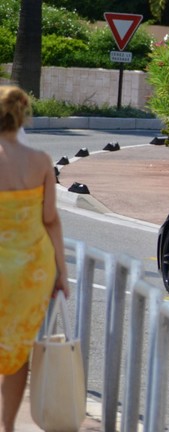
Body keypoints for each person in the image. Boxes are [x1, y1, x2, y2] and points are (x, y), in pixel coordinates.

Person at [0, 85, 69, 432]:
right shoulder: (41, 161)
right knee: (15, 349)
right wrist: (62, 272)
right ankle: (7, 427)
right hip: (31, 271)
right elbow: (51, 219)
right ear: (23, 117)